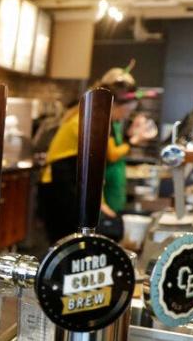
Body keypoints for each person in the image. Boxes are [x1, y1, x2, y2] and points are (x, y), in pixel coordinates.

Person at [38, 66, 139, 242]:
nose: (124, 117)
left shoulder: (89, 115)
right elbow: (96, 166)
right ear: (113, 105)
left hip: (65, 180)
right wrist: (100, 203)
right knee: (64, 244)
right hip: (58, 183)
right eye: (126, 111)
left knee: (71, 243)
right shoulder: (91, 121)